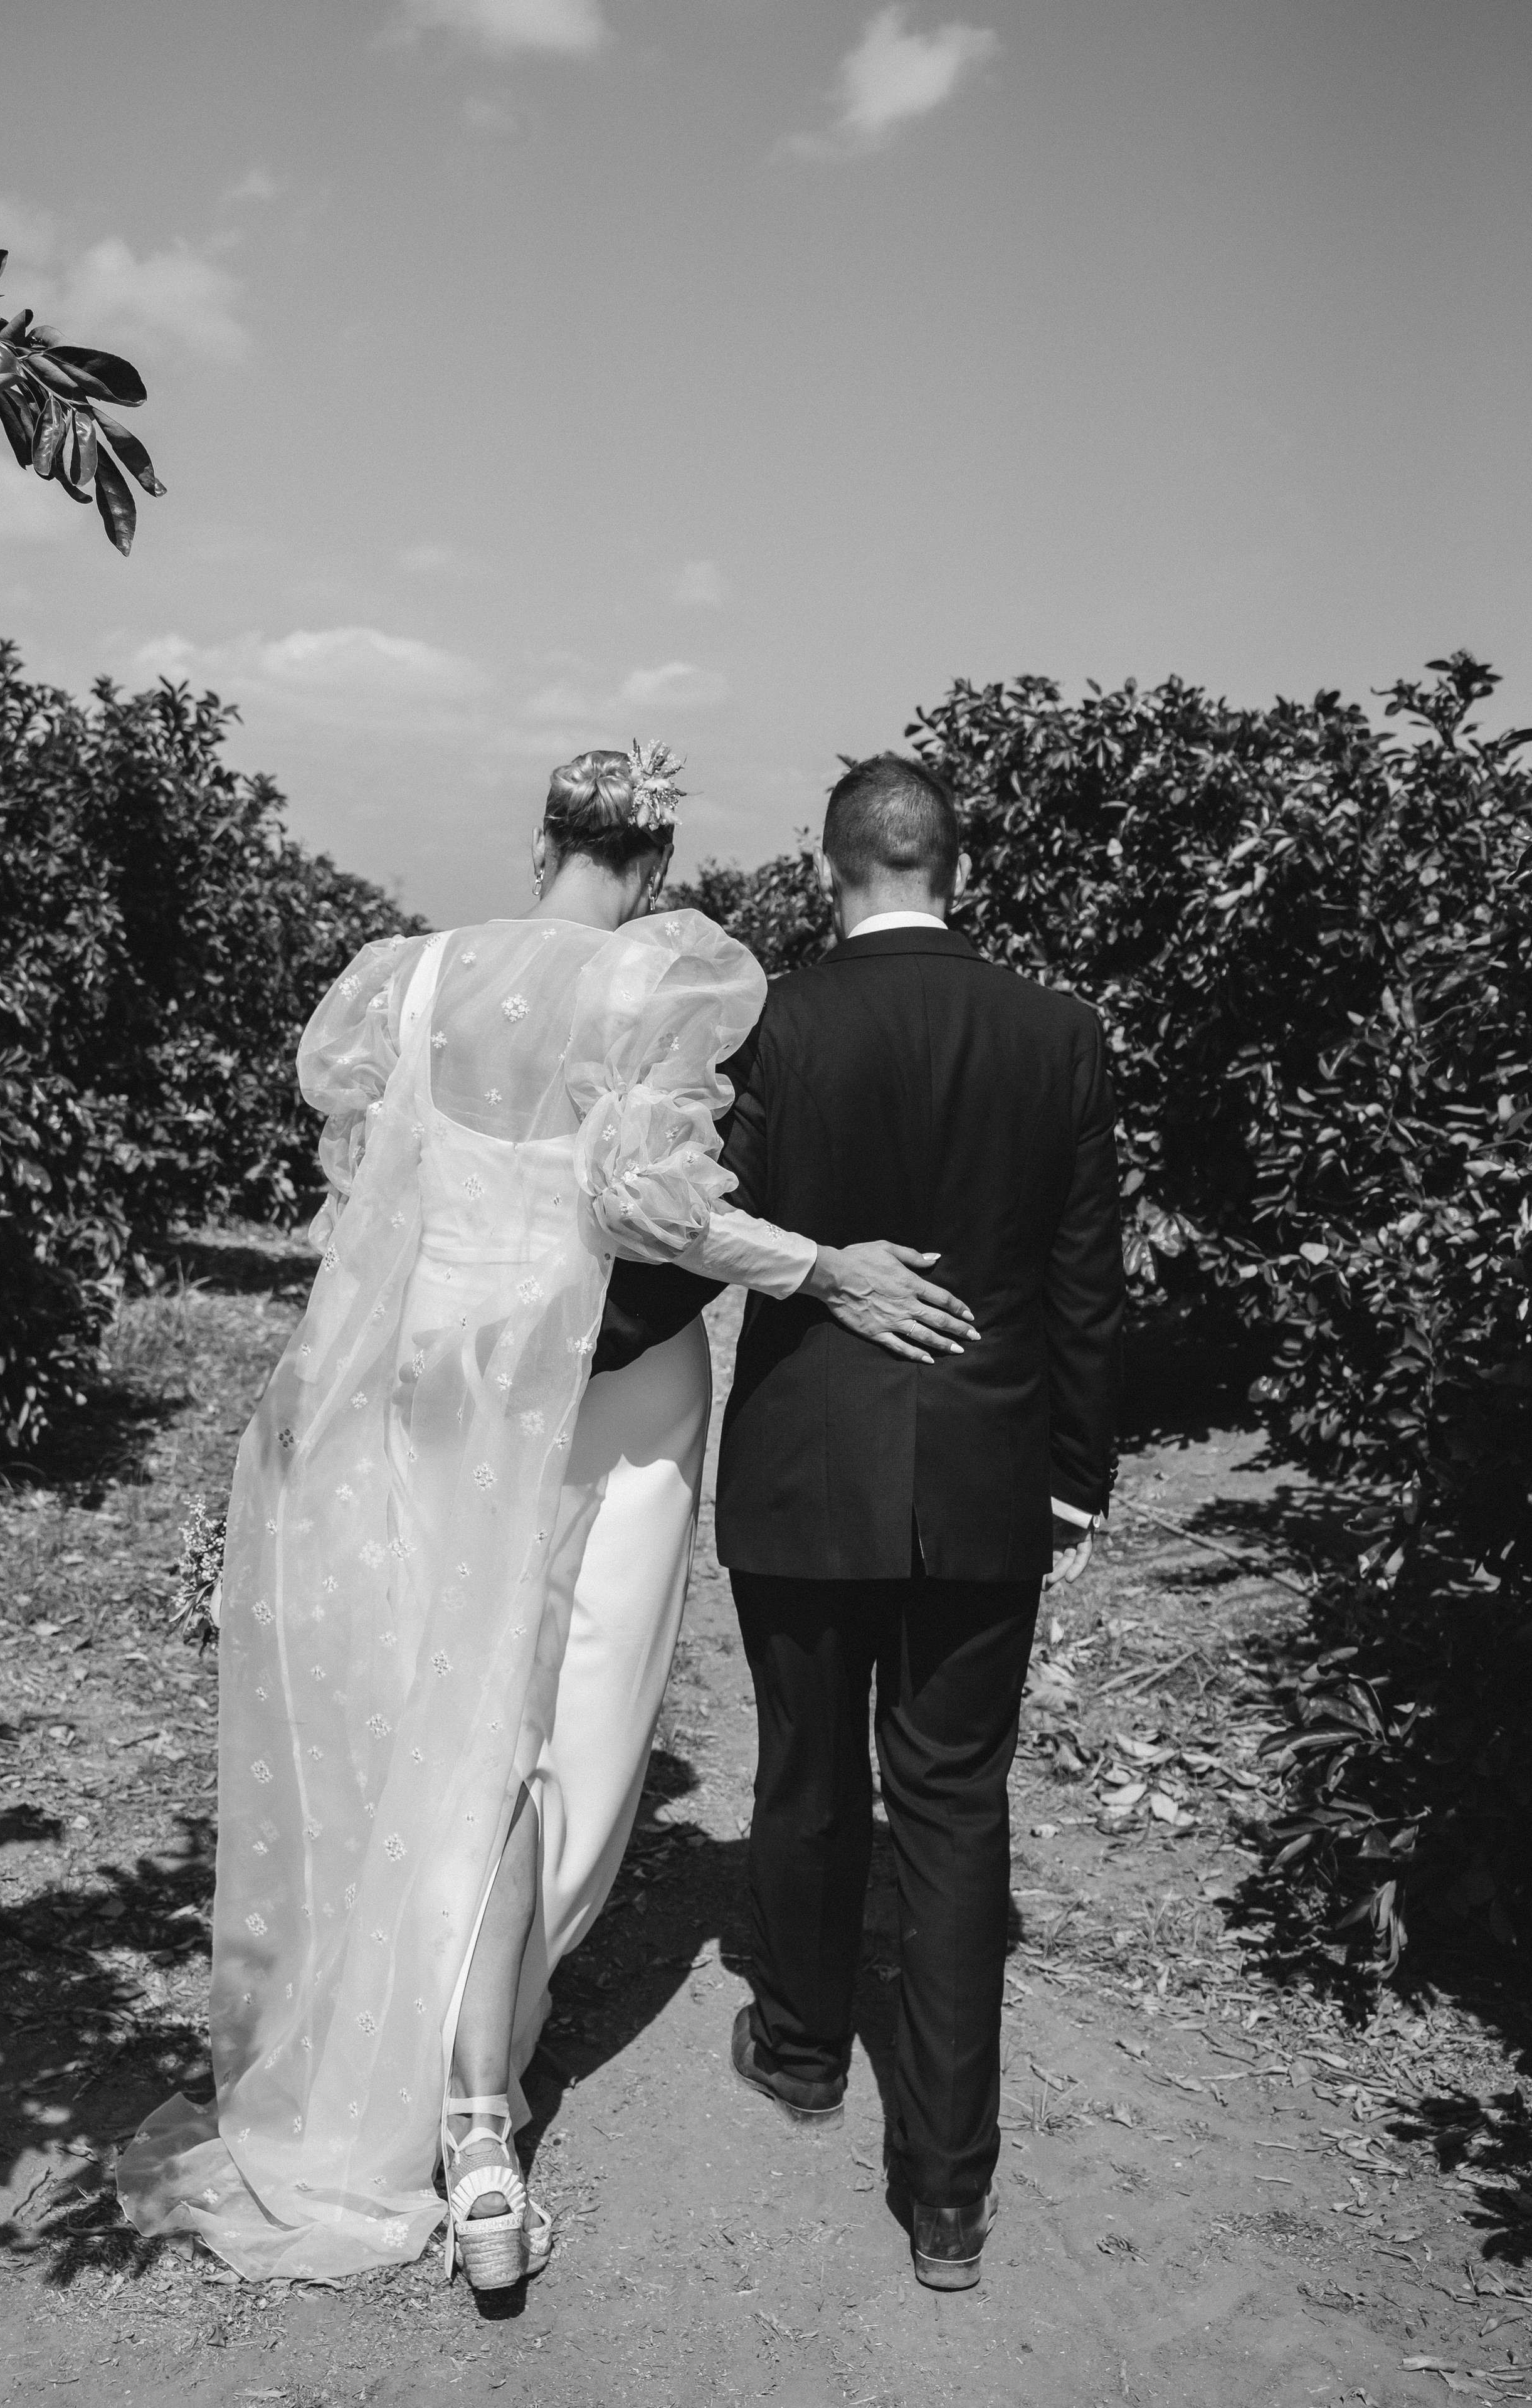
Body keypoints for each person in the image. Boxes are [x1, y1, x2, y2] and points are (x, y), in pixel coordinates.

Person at [117, 743, 973, 2288]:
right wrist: (820, 1266)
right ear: (651, 864)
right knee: (547, 1730)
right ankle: (478, 2106)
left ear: (539, 845)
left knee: (431, 1717)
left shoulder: (406, 980)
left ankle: (415, 2061)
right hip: (588, 1396)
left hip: (416, 1384)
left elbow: (356, 1193)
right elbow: (651, 1210)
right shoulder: (663, 986)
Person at [714, 752, 1123, 2292]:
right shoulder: (1056, 1031)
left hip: (802, 1468)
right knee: (954, 1812)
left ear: (827, 869)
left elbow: (713, 1227)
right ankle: (947, 2193)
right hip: (982, 1474)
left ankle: (806, 2050)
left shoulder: (775, 1022)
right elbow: (1087, 1278)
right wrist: (1072, 1473)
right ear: (963, 870)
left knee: (808, 1774)